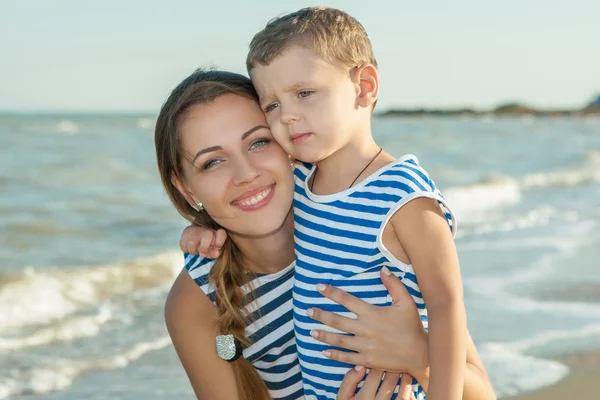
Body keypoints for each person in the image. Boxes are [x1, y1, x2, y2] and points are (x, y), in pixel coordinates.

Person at [181, 6, 487, 400]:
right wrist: (201, 226)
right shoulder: (303, 181)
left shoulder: (403, 195)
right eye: (271, 105)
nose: (288, 116)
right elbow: (241, 193)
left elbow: (446, 306)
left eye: (304, 93)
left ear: (364, 87)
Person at [157, 69, 426, 400]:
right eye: (213, 162)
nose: (246, 174)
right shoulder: (196, 301)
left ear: (288, 141)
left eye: (258, 142)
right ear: (185, 187)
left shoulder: (364, 223)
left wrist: (420, 358)